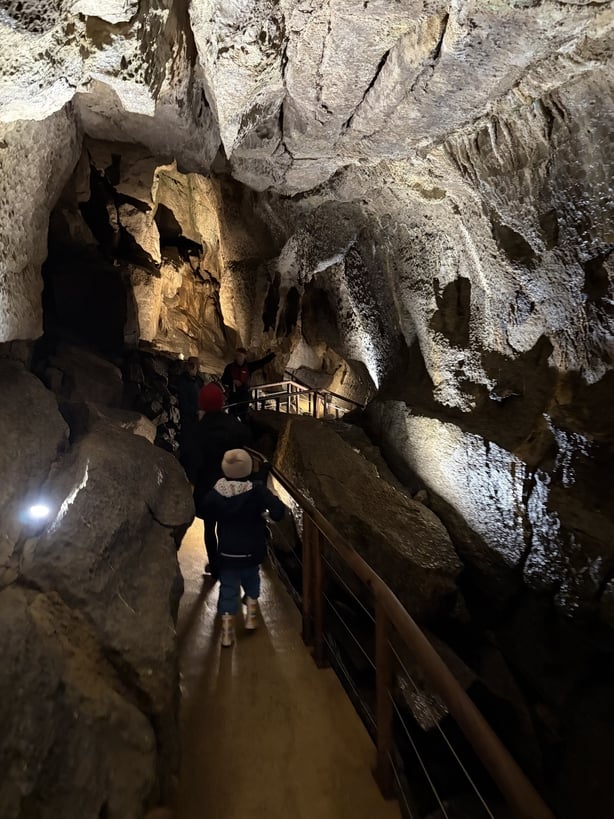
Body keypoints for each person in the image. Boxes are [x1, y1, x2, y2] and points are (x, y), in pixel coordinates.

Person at [203, 449, 284, 647]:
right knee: (251, 581)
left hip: (227, 551)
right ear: (249, 469)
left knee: (228, 588)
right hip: (251, 549)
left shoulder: (216, 492)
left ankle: (227, 631)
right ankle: (252, 615)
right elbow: (278, 510)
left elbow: (205, 509)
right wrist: (268, 516)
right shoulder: (256, 491)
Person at [193, 382, 253, 578]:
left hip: (207, 488)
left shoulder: (199, 429)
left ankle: (216, 567)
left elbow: (191, 458)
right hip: (228, 484)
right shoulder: (231, 424)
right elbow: (248, 435)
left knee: (209, 528)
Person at [221, 347, 276, 422]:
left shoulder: (249, 367)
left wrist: (273, 354)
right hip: (233, 394)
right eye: (237, 355)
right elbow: (223, 380)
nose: (238, 358)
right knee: (232, 415)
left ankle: (244, 429)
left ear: (244, 356)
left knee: (243, 414)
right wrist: (232, 381)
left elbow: (261, 362)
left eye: (240, 356)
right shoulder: (229, 367)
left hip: (244, 394)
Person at [176, 356, 204, 481]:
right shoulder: (183, 381)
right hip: (189, 418)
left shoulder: (197, 380)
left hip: (197, 417)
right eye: (193, 366)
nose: (195, 368)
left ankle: (193, 472)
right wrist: (195, 412)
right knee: (187, 443)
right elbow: (183, 402)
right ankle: (184, 472)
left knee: (196, 445)